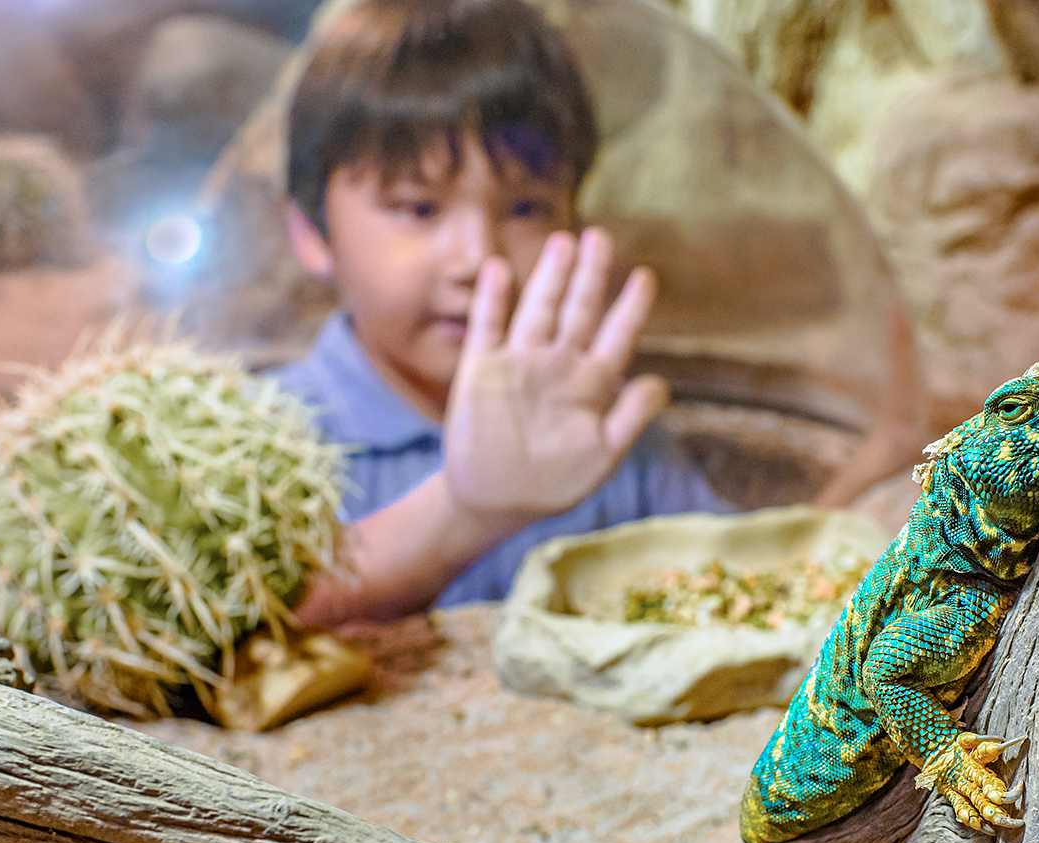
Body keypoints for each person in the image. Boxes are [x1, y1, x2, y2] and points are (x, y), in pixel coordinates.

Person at [271, 0, 728, 626]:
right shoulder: (266, 443)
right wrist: (466, 511)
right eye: (419, 207)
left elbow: (743, 592)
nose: (480, 259)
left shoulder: (608, 435)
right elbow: (209, 631)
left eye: (525, 209)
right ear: (311, 230)